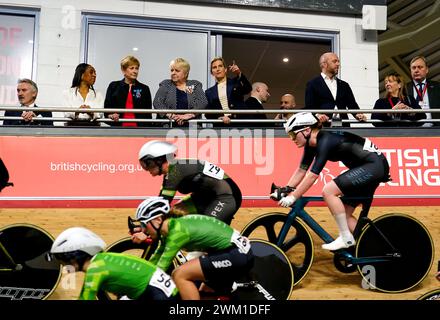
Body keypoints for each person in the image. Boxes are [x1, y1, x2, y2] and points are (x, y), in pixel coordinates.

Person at [273, 112, 389, 251]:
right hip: (369, 166)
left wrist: (293, 197)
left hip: (374, 166)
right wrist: (287, 189)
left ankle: (345, 237)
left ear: (307, 130)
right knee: (344, 214)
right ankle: (374, 245)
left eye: (293, 134)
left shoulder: (325, 141)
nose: (292, 138)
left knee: (328, 191)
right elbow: (301, 170)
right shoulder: (311, 145)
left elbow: (312, 175)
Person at [130, 197, 254, 300]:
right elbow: (155, 259)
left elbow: (161, 267)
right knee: (205, 292)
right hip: (232, 252)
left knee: (179, 274)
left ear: (157, 220)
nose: (143, 230)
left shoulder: (177, 231)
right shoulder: (168, 231)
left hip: (236, 254)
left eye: (143, 224)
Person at [50, 227, 179, 300]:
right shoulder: (103, 259)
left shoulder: (95, 270)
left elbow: (85, 298)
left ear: (75, 257)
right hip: (158, 291)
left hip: (156, 294)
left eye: (63, 260)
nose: (63, 266)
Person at [138, 139, 241, 225]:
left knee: (207, 232)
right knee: (174, 213)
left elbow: (162, 205)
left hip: (226, 197)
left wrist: (144, 225)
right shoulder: (172, 171)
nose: (146, 168)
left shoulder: (175, 171)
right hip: (205, 196)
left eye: (148, 163)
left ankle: (235, 247)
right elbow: (160, 201)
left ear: (159, 160)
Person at [305, 52, 367, 127]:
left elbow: (352, 104)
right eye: (334, 61)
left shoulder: (344, 85)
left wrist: (358, 114)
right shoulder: (312, 83)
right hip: (322, 127)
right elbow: (310, 106)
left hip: (343, 126)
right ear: (324, 64)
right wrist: (318, 115)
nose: (338, 64)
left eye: (338, 61)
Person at [153, 57, 207, 126]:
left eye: (177, 71)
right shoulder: (166, 84)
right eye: (172, 70)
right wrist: (171, 115)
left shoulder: (194, 84)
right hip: (168, 125)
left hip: (191, 127)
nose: (173, 73)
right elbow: (157, 102)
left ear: (185, 73)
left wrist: (188, 115)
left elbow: (203, 102)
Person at [104, 55, 152, 127]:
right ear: (123, 70)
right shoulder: (113, 86)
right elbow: (107, 108)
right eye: (131, 68)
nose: (135, 71)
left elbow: (148, 113)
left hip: (140, 129)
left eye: (137, 68)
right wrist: (111, 115)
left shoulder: (145, 88)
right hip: (118, 127)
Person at [205, 57, 252, 126]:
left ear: (225, 69)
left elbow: (248, 88)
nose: (217, 69)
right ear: (212, 73)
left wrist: (239, 73)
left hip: (240, 124)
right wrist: (219, 118)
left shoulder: (235, 82)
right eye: (214, 67)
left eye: (220, 66)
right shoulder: (209, 92)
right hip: (222, 126)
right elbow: (208, 113)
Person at [406, 56, 440, 127]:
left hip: (435, 129)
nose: (416, 70)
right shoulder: (404, 88)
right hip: (412, 130)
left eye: (420, 67)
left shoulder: (437, 87)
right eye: (413, 68)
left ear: (427, 70)